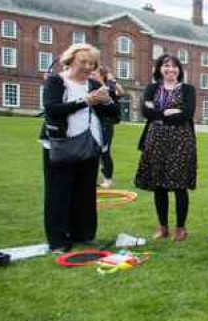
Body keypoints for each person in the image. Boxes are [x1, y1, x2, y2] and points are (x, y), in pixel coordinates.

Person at [40, 43, 119, 252]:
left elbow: (115, 115)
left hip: (89, 146)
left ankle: (84, 235)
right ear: (71, 60)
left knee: (85, 194)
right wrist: (86, 101)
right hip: (61, 145)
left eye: (91, 63)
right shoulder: (57, 81)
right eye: (83, 61)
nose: (87, 66)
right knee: (58, 193)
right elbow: (53, 110)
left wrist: (107, 100)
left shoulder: (93, 84)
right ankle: (58, 241)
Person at [135, 54, 197, 242]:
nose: (170, 69)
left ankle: (180, 228)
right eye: (166, 65)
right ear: (159, 69)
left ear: (180, 69)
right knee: (159, 185)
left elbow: (186, 114)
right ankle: (163, 227)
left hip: (181, 142)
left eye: (174, 66)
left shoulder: (188, 89)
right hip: (156, 141)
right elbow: (146, 111)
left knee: (180, 185)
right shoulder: (152, 88)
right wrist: (168, 112)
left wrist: (159, 114)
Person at [92, 64, 123, 188]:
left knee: (104, 151)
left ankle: (108, 179)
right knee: (93, 152)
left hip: (106, 123)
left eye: (94, 73)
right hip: (93, 122)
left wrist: (112, 80)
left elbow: (121, 92)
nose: (91, 74)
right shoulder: (91, 87)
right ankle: (91, 179)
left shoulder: (109, 88)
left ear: (102, 75)